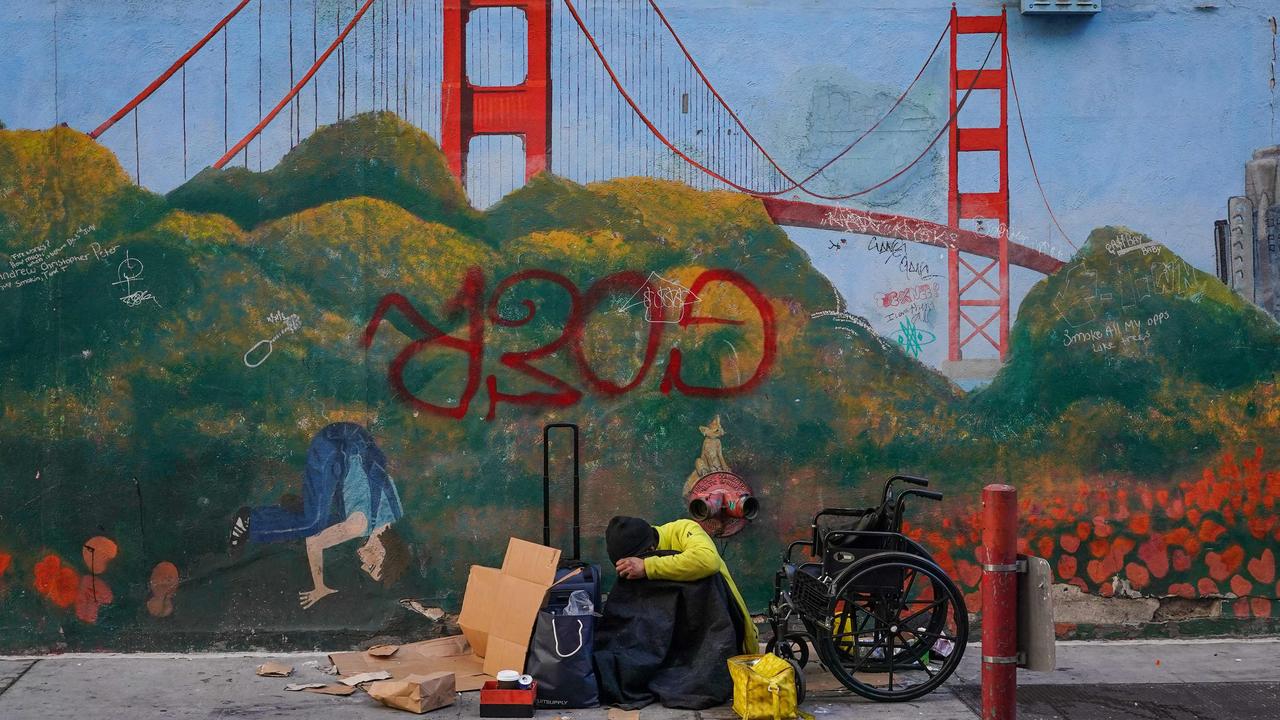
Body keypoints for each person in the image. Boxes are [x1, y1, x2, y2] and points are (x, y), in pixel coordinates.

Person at [227, 422, 410, 609]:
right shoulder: (359, 526)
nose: (363, 566)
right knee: (312, 526)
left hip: (353, 438)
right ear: (383, 553)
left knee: (331, 520)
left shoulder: (394, 513)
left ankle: (302, 507)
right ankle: (250, 521)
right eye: (372, 566)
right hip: (334, 444)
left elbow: (378, 470)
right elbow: (314, 543)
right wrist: (319, 586)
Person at [607, 515, 758, 654]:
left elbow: (709, 561)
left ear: (651, 549)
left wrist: (647, 566)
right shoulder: (633, 564)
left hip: (720, 636)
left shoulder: (683, 529)